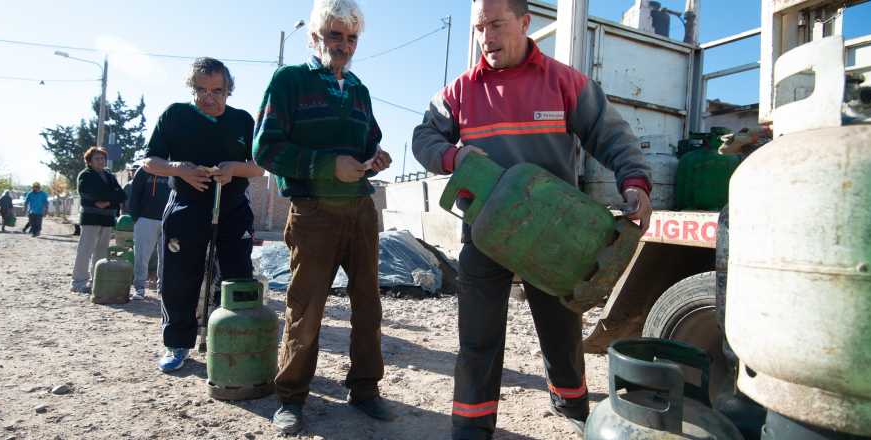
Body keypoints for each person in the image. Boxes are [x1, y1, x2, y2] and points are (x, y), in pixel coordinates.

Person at [411, 1, 653, 438]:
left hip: (553, 234)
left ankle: (572, 402)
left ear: (525, 24)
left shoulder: (564, 82)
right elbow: (422, 136)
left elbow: (611, 133)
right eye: (481, 27)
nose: (487, 36)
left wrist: (634, 180)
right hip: (485, 235)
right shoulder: (461, 91)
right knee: (478, 340)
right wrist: (452, 154)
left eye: (497, 25)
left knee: (560, 331)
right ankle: (471, 427)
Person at [253, 0, 394, 434]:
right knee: (307, 307)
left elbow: (369, 140)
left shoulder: (359, 90)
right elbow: (265, 150)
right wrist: (327, 165)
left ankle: (365, 389)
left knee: (368, 304)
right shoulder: (289, 81)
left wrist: (376, 158)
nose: (345, 45)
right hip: (313, 211)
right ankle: (291, 397)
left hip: (360, 209)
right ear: (315, 38)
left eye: (351, 38)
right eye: (335, 35)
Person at [143, 57, 264, 372]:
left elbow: (260, 166)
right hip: (186, 205)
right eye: (201, 90)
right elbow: (149, 161)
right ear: (191, 88)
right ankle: (177, 343)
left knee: (237, 276)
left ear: (228, 90)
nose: (209, 98)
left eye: (217, 90)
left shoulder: (242, 121)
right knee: (179, 277)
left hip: (233, 206)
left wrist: (234, 169)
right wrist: (178, 169)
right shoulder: (175, 115)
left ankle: (231, 339)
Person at [70, 147, 127, 294]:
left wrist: (107, 201)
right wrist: (109, 196)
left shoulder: (109, 176)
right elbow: (88, 193)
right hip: (91, 218)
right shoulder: (85, 175)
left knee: (101, 252)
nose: (100, 161)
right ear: (89, 161)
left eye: (102, 158)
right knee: (85, 250)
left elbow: (121, 195)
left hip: (107, 218)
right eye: (97, 158)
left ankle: (97, 281)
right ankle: (78, 282)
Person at [127, 164, 171, 300]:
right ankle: (139, 288)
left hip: (168, 219)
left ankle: (163, 289)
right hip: (145, 219)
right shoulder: (143, 170)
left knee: (167, 257)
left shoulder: (173, 169)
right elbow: (134, 194)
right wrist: (136, 217)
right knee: (141, 256)